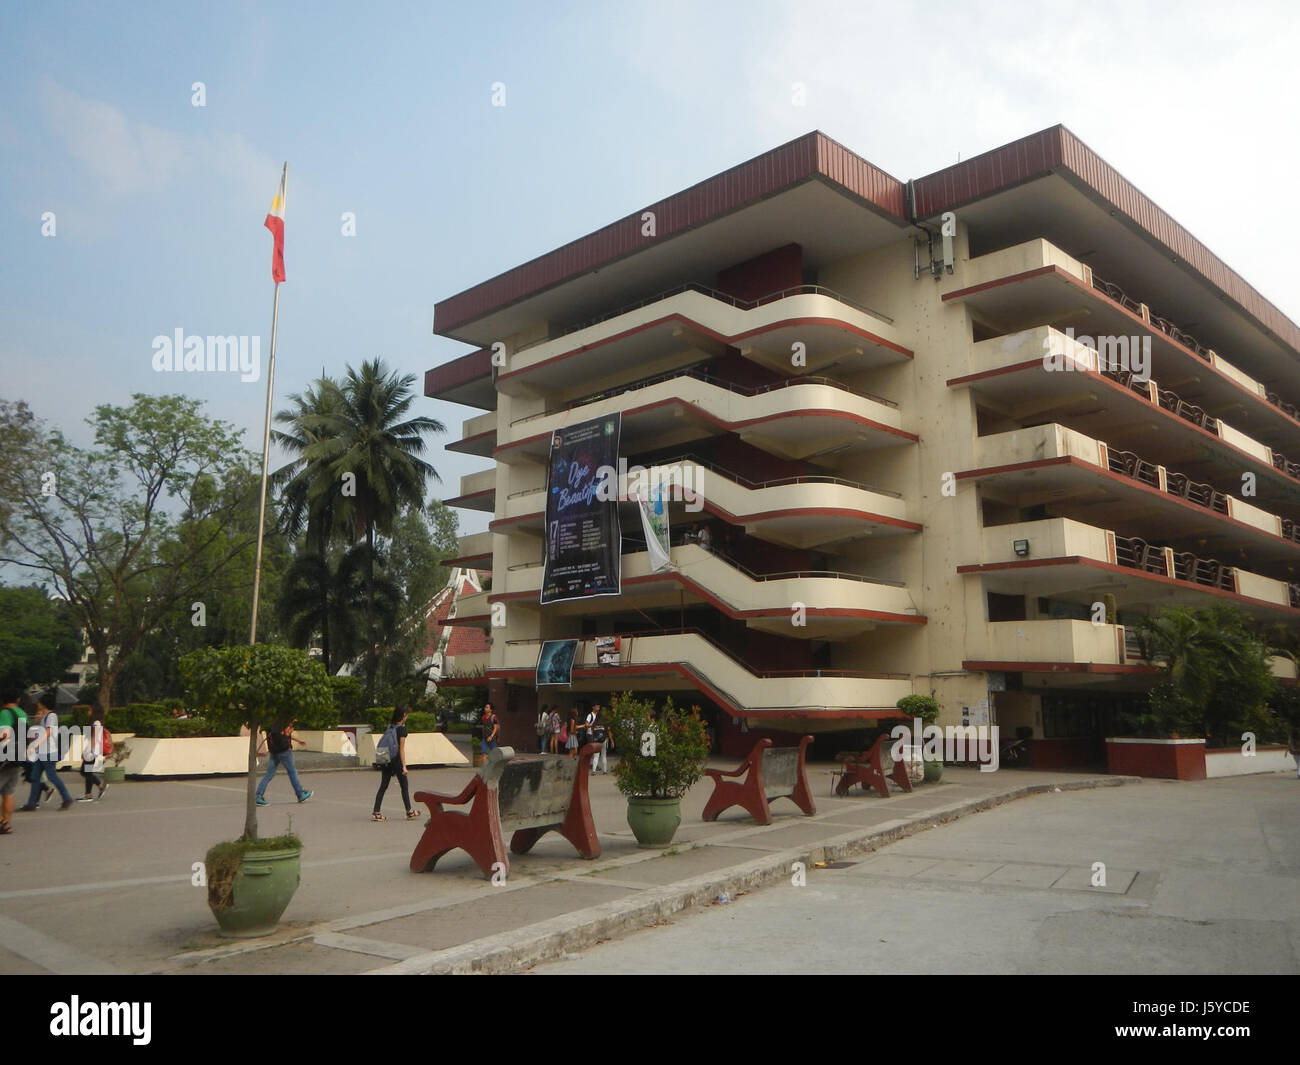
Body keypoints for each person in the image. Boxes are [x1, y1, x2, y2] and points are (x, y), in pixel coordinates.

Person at [19, 693, 74, 811]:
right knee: (35, 777)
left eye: (39, 702)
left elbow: (48, 732)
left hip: (48, 752)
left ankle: (66, 798)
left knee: (52, 776)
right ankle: (31, 803)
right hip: (42, 752)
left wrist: (36, 744)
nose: (37, 704)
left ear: (43, 704)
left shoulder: (51, 716)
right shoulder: (45, 716)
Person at [372, 706, 418, 822]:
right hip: (396, 760)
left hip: (386, 758)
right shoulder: (401, 729)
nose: (407, 717)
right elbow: (401, 749)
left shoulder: (390, 727)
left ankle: (376, 812)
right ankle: (409, 811)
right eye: (406, 715)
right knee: (404, 786)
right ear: (403, 716)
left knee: (383, 786)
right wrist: (404, 766)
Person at [256, 719, 312, 805]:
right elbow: (286, 735)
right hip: (284, 751)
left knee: (269, 774)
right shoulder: (282, 723)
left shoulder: (270, 723)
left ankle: (258, 795)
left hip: (274, 752)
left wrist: (297, 740)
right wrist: (290, 730)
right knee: (292, 772)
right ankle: (300, 794)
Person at [0, 687, 29, 834]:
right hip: (18, 757)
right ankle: (6, 823)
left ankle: (2, 822)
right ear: (17, 700)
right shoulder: (22, 713)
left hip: (4, 757)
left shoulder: (5, 713)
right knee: (8, 792)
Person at [79, 707, 108, 802]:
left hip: (92, 752)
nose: (88, 712)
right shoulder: (95, 723)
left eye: (90, 710)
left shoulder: (96, 723)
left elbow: (94, 739)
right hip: (91, 751)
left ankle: (94, 790)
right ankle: (94, 790)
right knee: (86, 772)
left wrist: (89, 752)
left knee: (86, 772)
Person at [589, 703, 609, 774]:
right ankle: (605, 770)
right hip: (604, 741)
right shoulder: (605, 723)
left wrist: (592, 740)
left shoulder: (594, 724)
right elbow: (607, 732)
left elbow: (592, 733)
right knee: (604, 755)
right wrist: (609, 739)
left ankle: (594, 771)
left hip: (596, 741)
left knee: (596, 756)